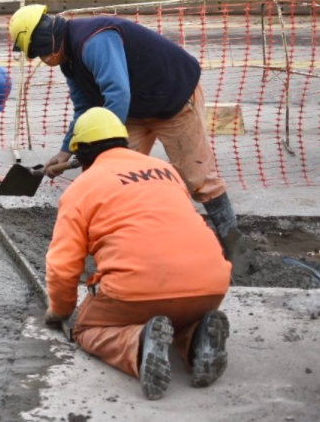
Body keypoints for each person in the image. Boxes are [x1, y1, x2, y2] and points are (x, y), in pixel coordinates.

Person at [8, 4, 249, 277]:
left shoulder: (95, 40)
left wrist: (103, 144)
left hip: (173, 100)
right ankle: (117, 247)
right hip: (134, 110)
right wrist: (66, 150)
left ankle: (235, 246)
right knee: (105, 175)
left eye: (38, 54)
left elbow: (117, 92)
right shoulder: (69, 61)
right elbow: (84, 107)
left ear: (46, 40)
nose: (41, 59)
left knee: (199, 179)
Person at [44, 107, 232, 400]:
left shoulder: (81, 187)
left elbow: (62, 265)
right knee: (176, 311)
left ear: (80, 155)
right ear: (123, 140)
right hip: (211, 283)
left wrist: (60, 311)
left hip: (136, 289)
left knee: (85, 328)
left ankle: (138, 342)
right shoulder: (166, 170)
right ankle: (197, 338)